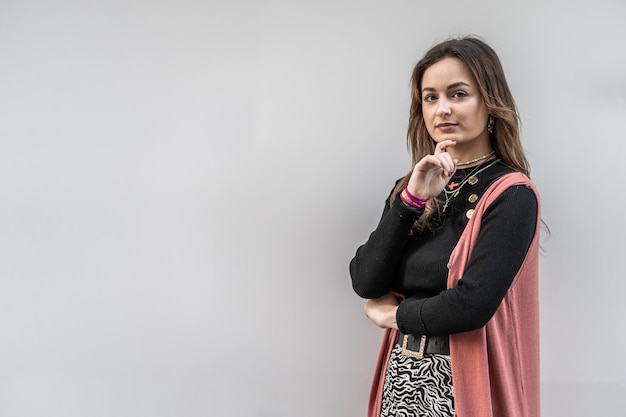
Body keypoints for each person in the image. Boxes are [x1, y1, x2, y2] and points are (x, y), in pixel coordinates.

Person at [349, 35, 542, 417]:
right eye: (431, 97)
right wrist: (411, 200)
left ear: (490, 102)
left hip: (458, 383)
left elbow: (471, 306)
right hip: (402, 376)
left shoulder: (512, 195)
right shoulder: (412, 188)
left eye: (458, 94)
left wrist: (392, 316)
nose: (443, 110)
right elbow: (367, 281)